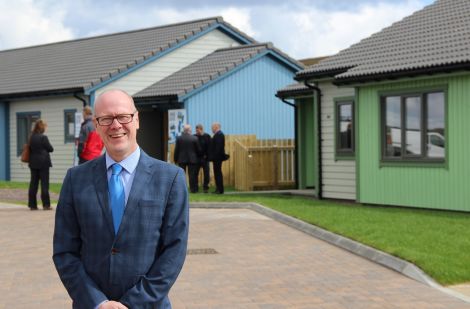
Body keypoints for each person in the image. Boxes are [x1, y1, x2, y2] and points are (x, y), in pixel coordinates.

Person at [53, 89, 189, 309]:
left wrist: (132, 304)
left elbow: (174, 250)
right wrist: (98, 302)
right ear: (96, 125)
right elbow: (65, 251)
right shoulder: (75, 179)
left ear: (136, 120)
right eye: (106, 118)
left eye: (123, 116)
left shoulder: (171, 179)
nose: (115, 125)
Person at [28, 119, 54, 210]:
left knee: (33, 184)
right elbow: (51, 149)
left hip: (33, 163)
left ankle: (32, 205)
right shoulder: (43, 137)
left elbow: (30, 149)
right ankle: (46, 205)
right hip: (43, 163)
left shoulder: (31, 137)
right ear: (42, 128)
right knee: (44, 184)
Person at [173, 124, 201, 193]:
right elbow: (198, 150)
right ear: (189, 130)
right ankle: (193, 189)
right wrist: (198, 157)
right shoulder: (194, 138)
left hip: (181, 159)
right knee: (192, 175)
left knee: (181, 175)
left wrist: (175, 159)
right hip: (192, 159)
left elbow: (177, 150)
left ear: (184, 130)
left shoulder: (179, 138)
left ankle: (182, 189)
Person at [208, 122, 226, 194]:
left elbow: (218, 148)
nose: (211, 129)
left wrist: (214, 156)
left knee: (218, 173)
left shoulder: (219, 135)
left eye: (212, 127)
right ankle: (218, 188)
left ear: (216, 127)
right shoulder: (218, 135)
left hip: (217, 158)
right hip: (217, 158)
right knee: (217, 173)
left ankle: (220, 189)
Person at [194, 124, 211, 193]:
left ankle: (205, 188)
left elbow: (210, 147)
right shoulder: (194, 137)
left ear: (201, 129)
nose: (196, 131)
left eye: (197, 130)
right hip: (196, 158)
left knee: (206, 174)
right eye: (196, 130)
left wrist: (207, 156)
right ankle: (195, 188)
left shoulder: (207, 136)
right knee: (195, 174)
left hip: (205, 158)